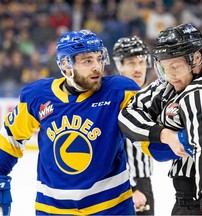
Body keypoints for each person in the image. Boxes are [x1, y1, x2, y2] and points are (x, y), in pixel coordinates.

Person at [0, 29, 140, 215]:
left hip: (111, 209)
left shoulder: (120, 91)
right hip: (52, 210)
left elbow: (150, 136)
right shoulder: (38, 96)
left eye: (99, 58)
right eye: (87, 61)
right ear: (66, 64)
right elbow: (11, 138)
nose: (97, 67)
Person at [118, 23, 202, 215]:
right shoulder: (168, 86)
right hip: (186, 200)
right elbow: (128, 114)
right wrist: (165, 135)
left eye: (176, 67)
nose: (170, 75)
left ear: (196, 59)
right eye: (164, 68)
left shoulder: (201, 92)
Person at [112, 36, 154, 215]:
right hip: (123, 182)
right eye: (131, 63)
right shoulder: (112, 100)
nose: (137, 69)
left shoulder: (150, 95)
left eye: (141, 62)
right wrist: (132, 186)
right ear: (120, 66)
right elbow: (108, 150)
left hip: (143, 180)